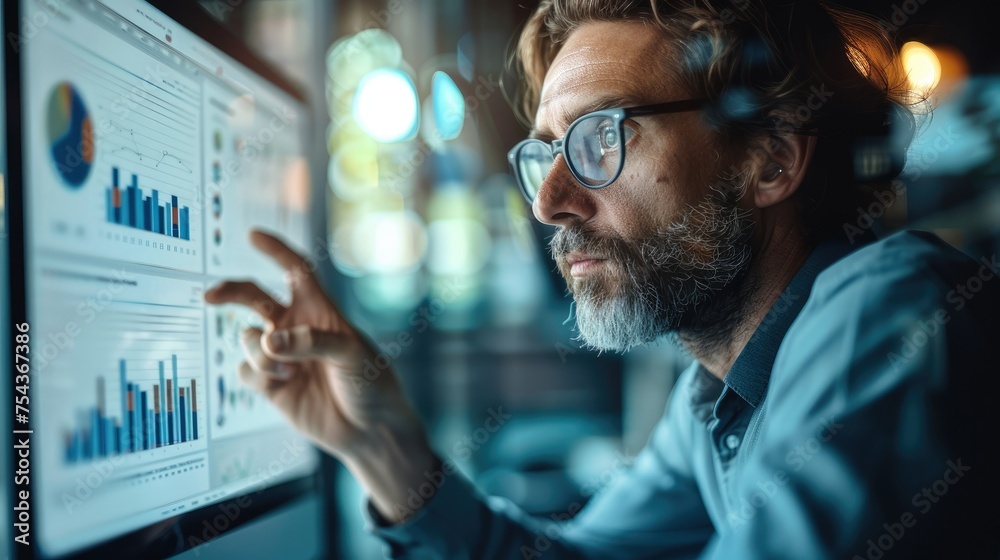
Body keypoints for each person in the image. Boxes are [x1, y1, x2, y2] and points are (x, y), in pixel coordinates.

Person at [205, 0, 1000, 557]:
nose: (551, 203)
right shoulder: (717, 397)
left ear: (772, 160)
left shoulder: (893, 310)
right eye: (547, 153)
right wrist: (382, 444)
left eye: (600, 139)